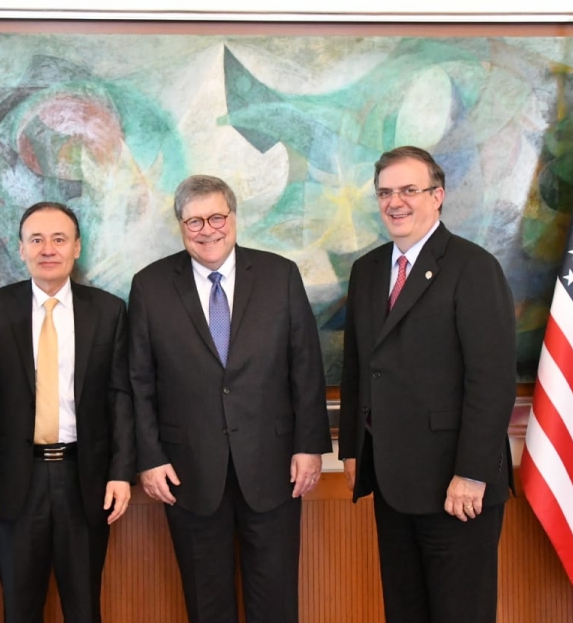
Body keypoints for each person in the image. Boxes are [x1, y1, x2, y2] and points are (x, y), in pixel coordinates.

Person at [129, 174, 331, 623]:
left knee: (275, 600)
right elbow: (139, 380)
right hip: (187, 471)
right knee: (206, 603)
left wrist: (308, 446)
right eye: (195, 221)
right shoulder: (150, 285)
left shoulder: (280, 275)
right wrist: (149, 457)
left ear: (234, 218)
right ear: (181, 225)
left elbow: (305, 366)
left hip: (275, 464)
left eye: (217, 216)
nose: (208, 230)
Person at [339, 146, 516, 622]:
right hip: (391, 482)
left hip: (456, 486)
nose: (395, 202)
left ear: (437, 196)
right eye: (385, 192)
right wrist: (353, 452)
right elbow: (359, 367)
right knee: (405, 612)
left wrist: (473, 472)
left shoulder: (472, 267)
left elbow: (493, 380)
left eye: (409, 190)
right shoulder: (368, 270)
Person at [0, 202, 134, 623]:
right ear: (20, 249)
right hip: (12, 482)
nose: (48, 249)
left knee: (84, 607)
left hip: (86, 479)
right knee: (19, 608)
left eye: (59, 239)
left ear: (76, 248)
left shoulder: (109, 311)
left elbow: (121, 396)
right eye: (36, 239)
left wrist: (120, 472)